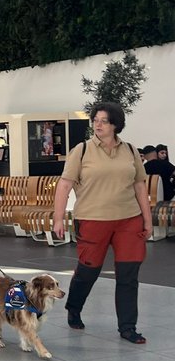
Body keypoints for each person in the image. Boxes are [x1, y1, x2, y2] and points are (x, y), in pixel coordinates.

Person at [53, 102, 152, 344]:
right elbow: (64, 185)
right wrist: (57, 218)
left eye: (103, 120)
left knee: (128, 275)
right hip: (92, 219)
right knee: (89, 270)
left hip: (128, 220)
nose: (97, 124)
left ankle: (128, 327)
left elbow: (140, 186)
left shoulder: (129, 150)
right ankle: (74, 306)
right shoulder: (82, 150)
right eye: (95, 120)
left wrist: (147, 220)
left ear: (115, 124)